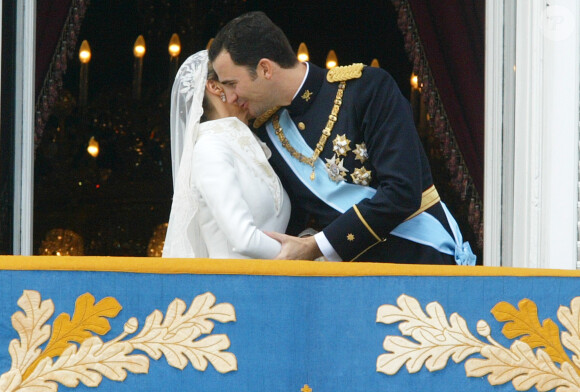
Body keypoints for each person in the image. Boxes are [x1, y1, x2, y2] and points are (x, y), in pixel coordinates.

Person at [208, 11, 475, 264]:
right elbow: (295, 221)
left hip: (419, 263)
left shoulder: (367, 89)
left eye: (232, 83)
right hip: (345, 286)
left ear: (265, 69)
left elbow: (402, 193)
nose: (230, 97)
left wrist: (315, 246)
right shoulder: (268, 133)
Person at [163, 50, 291, 259]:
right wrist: (306, 253)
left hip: (272, 283)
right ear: (215, 86)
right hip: (233, 287)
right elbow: (243, 239)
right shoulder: (210, 148)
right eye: (236, 82)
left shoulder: (250, 147)